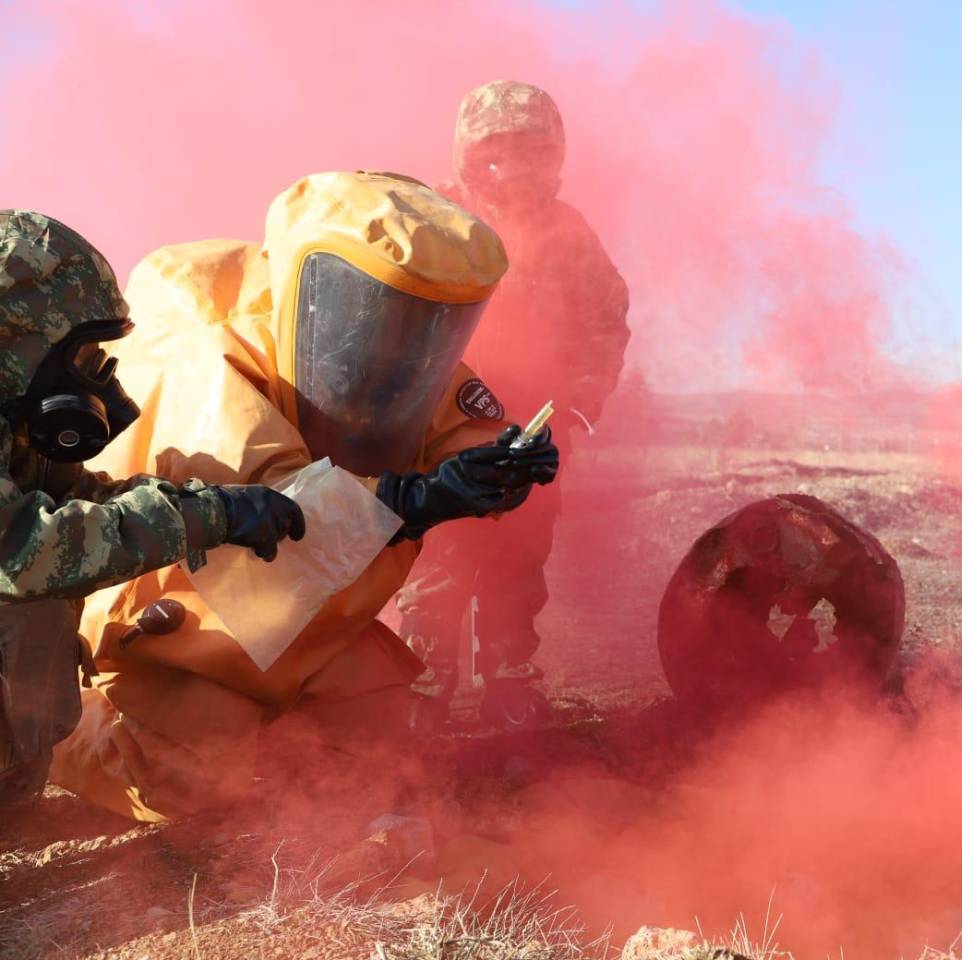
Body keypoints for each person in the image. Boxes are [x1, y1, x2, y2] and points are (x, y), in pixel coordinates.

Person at [48, 172, 558, 821]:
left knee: (382, 752)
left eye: (430, 320)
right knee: (181, 780)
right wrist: (418, 499)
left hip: (309, 629)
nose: (406, 341)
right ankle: (63, 728)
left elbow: (456, 425)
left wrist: (501, 465)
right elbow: (276, 512)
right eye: (391, 311)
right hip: (186, 634)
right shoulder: (213, 353)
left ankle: (269, 733)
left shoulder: (400, 351)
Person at [0, 210, 305, 805]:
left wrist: (210, 504)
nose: (95, 375)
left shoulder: (14, 423)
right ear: (20, 342)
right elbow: (24, 552)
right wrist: (207, 517)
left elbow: (73, 503)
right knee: (27, 604)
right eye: (82, 354)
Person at [411, 80, 629, 713]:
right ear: (469, 152)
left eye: (529, 150)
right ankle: (425, 686)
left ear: (551, 154)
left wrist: (581, 403)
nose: (511, 165)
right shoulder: (434, 214)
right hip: (443, 420)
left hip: (535, 419)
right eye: (496, 150)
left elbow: (605, 319)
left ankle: (510, 681)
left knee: (521, 552)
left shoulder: (567, 231)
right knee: (442, 550)